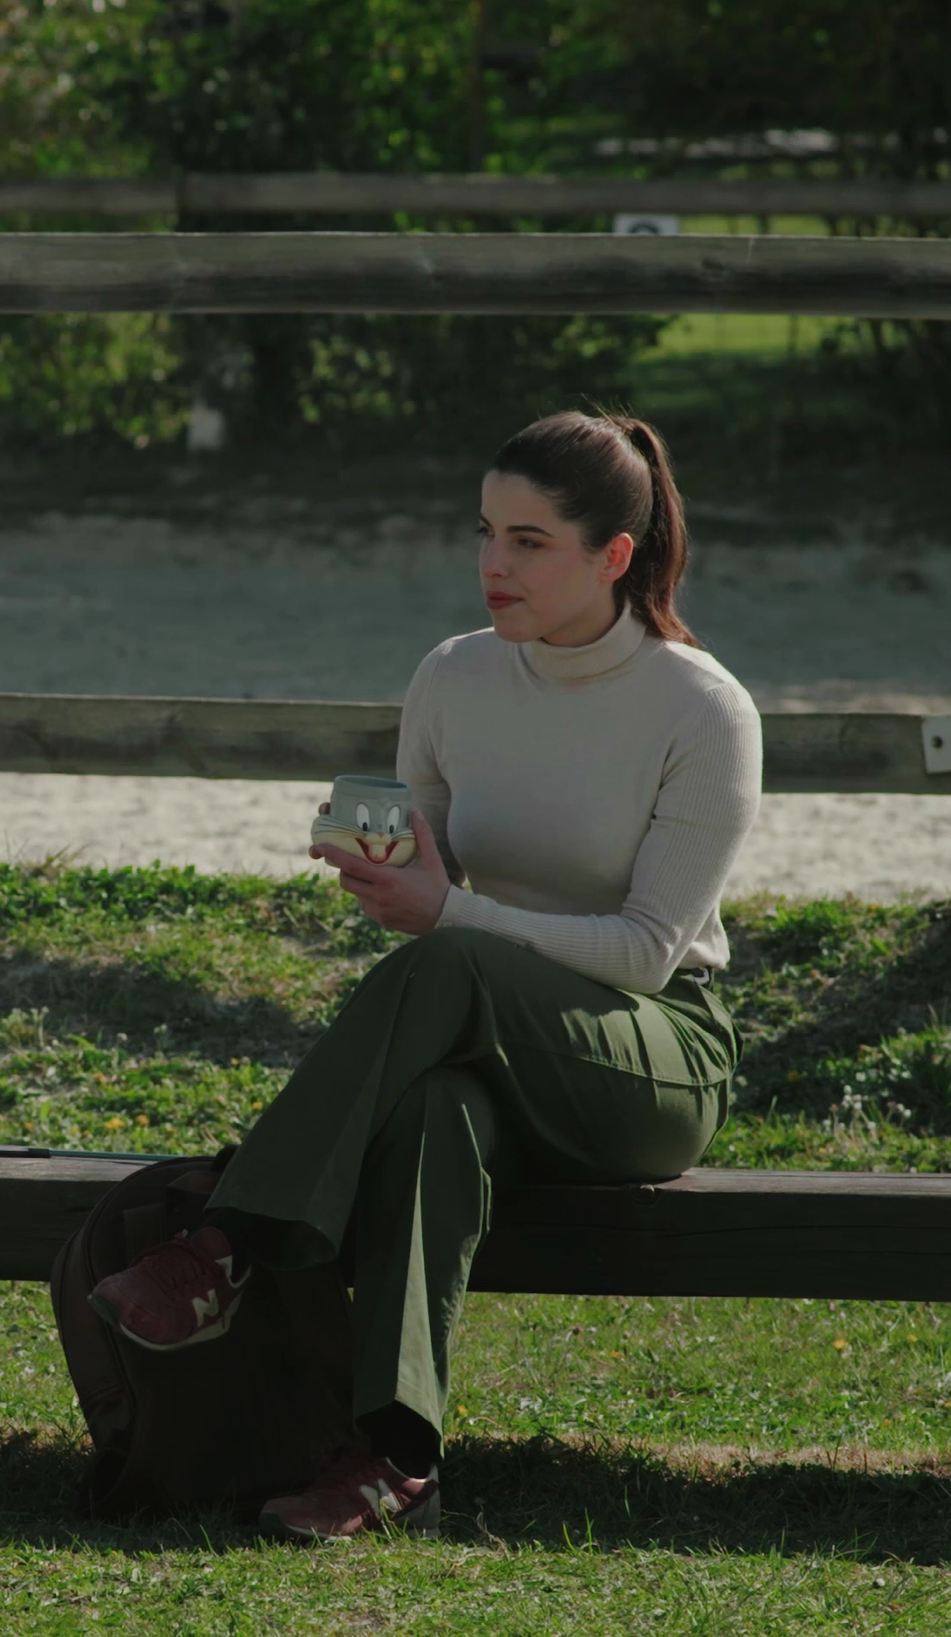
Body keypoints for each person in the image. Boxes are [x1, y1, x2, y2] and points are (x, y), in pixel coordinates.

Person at [89, 411, 760, 1542]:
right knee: (435, 1113)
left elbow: (647, 951)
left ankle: (225, 1244)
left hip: (651, 1061)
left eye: (530, 541)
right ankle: (396, 1459)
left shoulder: (701, 709)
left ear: (614, 556)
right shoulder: (452, 677)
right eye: (484, 532)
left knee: (457, 964)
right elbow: (432, 907)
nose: (494, 564)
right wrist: (388, 874)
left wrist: (450, 915)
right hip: (478, 1046)